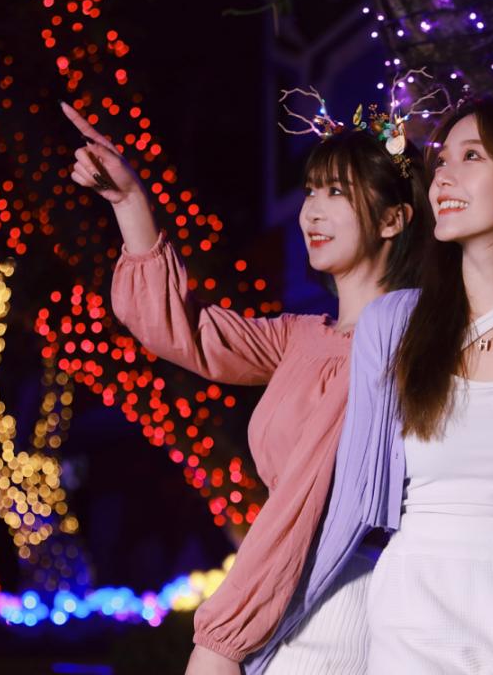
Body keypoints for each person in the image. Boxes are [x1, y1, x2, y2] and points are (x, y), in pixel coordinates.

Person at [266, 91, 493, 674]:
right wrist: (257, 635)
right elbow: (351, 511)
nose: (443, 175)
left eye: (472, 156)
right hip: (414, 634)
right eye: (441, 160)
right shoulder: (393, 324)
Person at [60, 98, 428, 674]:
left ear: (393, 219)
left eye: (336, 192)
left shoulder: (413, 336)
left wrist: (223, 635)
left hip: (346, 595)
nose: (312, 211)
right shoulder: (299, 337)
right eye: (310, 191)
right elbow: (178, 327)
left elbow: (312, 497)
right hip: (287, 596)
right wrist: (130, 201)